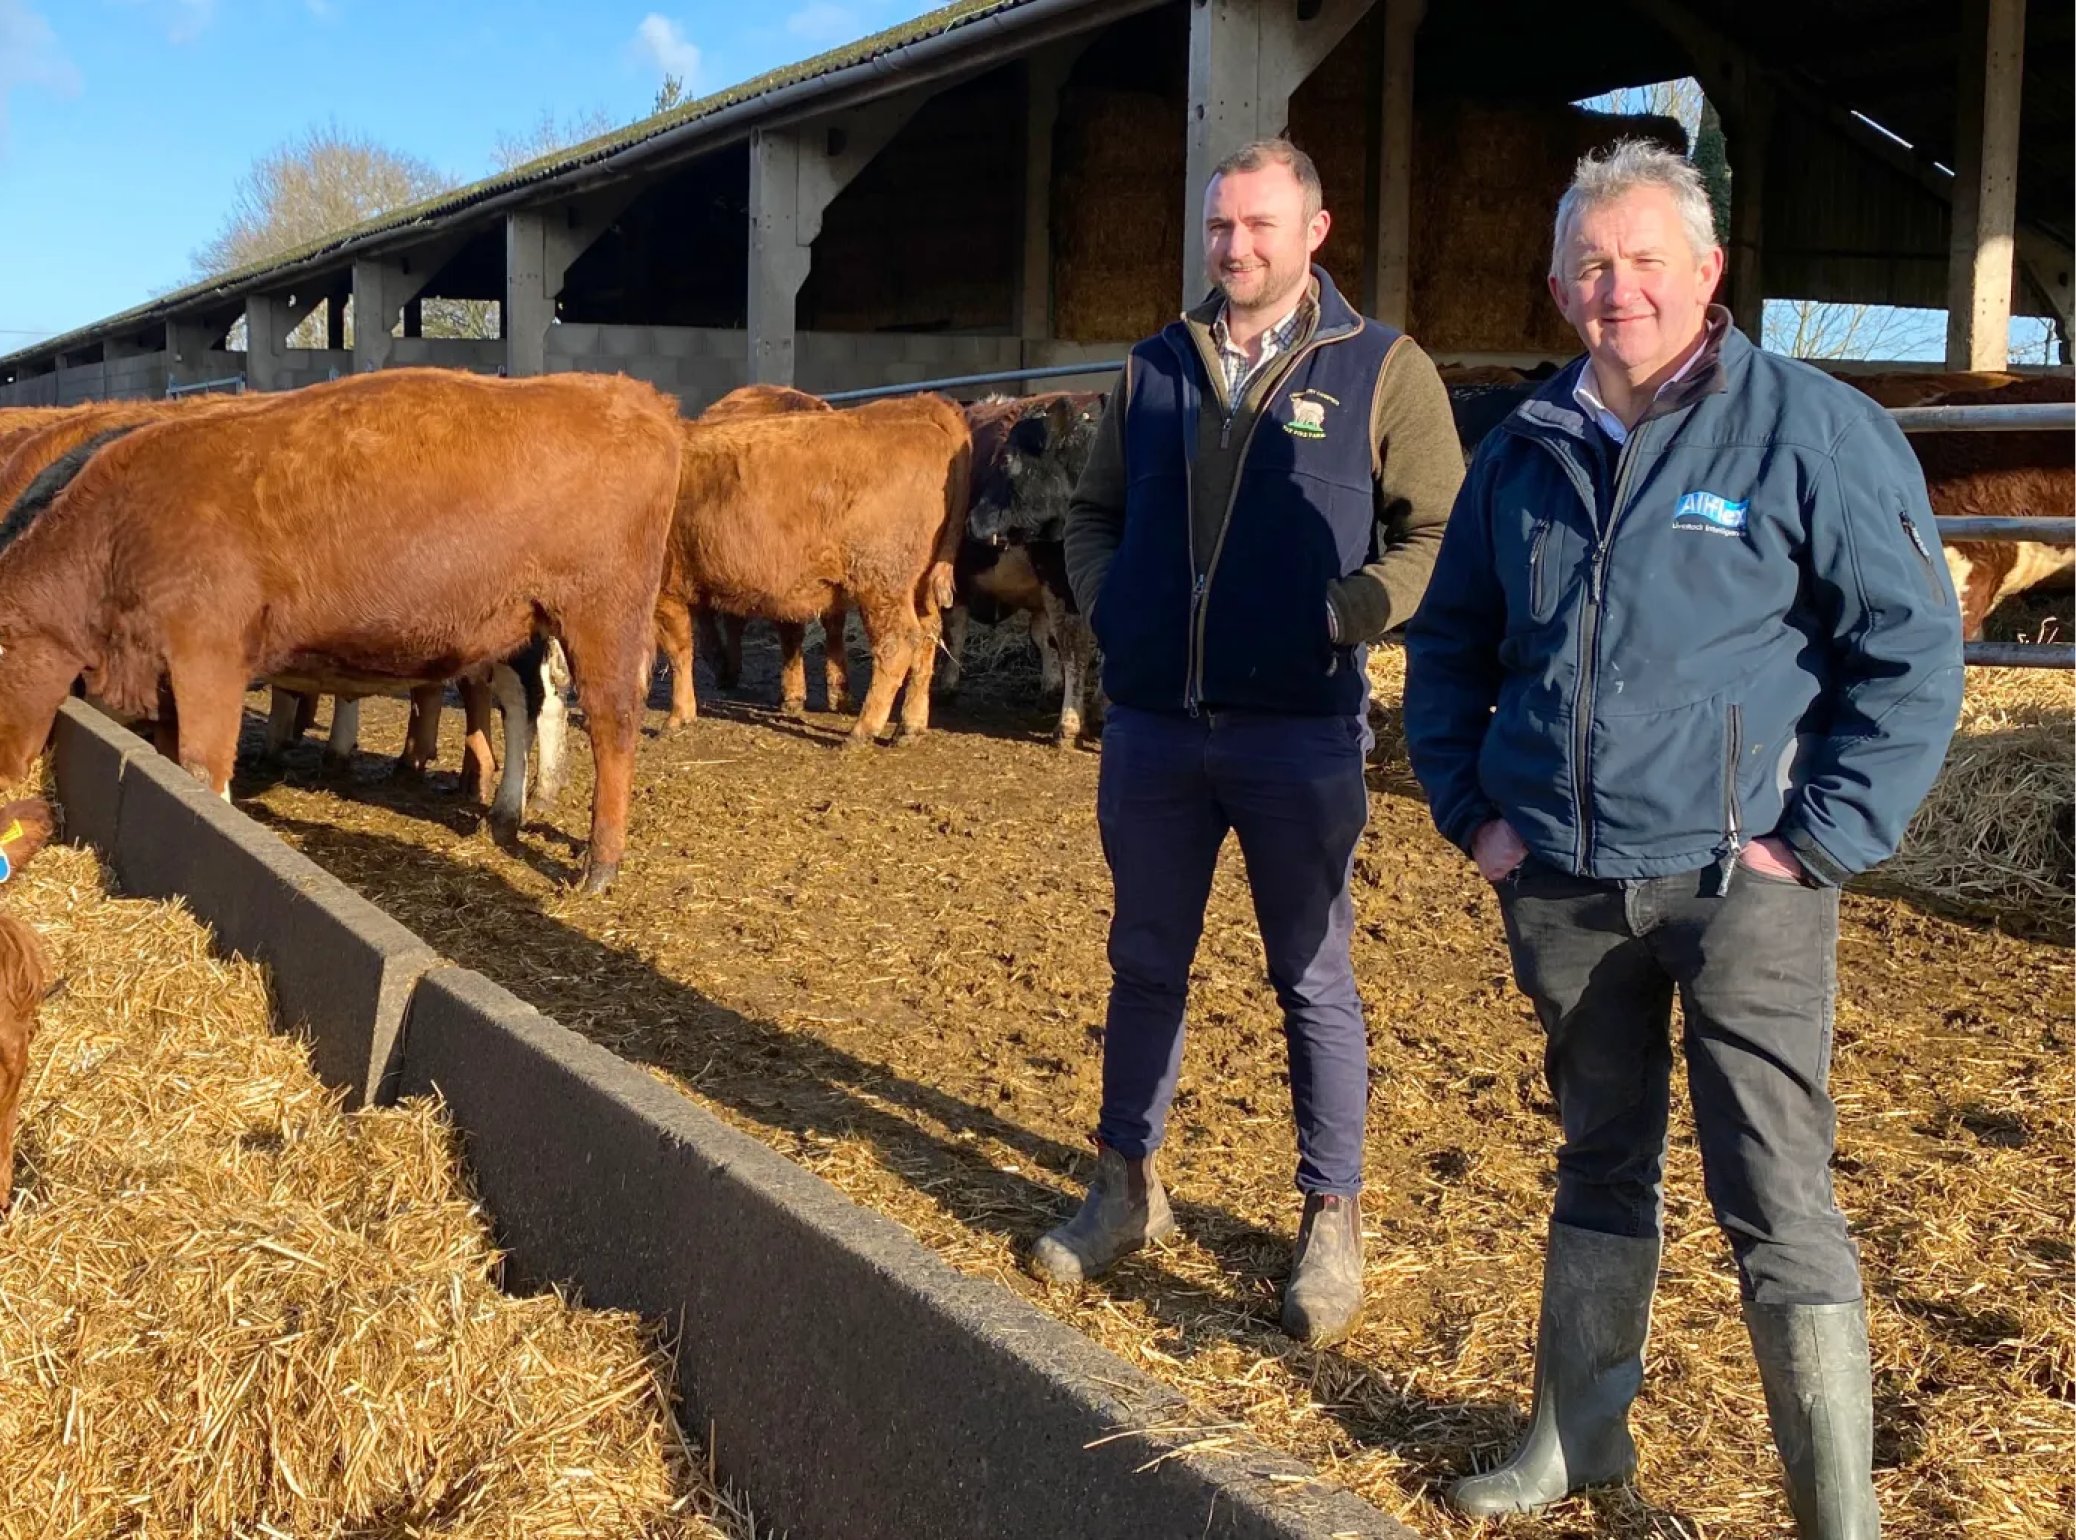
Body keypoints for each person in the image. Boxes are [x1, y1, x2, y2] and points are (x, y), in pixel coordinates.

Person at [1403, 139, 1963, 1535]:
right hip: (1568, 885)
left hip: (1744, 886)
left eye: (1647, 259)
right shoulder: (1522, 453)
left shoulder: (1808, 432)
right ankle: (1575, 1444)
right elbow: (1454, 641)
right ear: (1557, 283)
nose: (1620, 288)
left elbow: (1914, 650)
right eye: (1594, 264)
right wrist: (1476, 813)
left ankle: (1834, 1514)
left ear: (1707, 273)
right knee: (1599, 1153)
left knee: (1776, 1189)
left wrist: (1819, 841)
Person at [1034, 138, 1464, 1347]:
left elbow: (1436, 530)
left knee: (1313, 976)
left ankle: (1332, 1215)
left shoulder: (1384, 369)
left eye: (1262, 226)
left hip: (1299, 733)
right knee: (1144, 959)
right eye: (1222, 227)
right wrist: (1118, 606)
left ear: (1314, 232)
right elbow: (1093, 512)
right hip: (1159, 730)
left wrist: (1348, 614)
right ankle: (1125, 1186)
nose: (1237, 248)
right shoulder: (1156, 366)